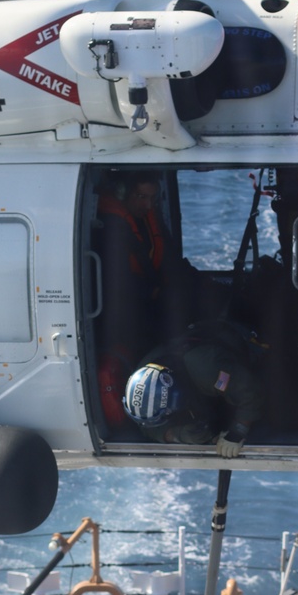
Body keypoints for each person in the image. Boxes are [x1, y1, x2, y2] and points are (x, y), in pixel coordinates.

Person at [94, 175, 198, 426]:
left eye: (152, 198)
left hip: (148, 299)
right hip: (123, 311)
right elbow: (116, 281)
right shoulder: (111, 228)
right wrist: (155, 292)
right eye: (141, 197)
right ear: (123, 194)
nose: (148, 205)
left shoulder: (148, 220)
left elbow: (168, 259)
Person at [122, 321, 265, 458]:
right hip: (198, 348)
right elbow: (146, 424)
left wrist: (238, 431)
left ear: (177, 397)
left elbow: (250, 391)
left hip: (239, 339)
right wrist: (177, 435)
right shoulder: (142, 377)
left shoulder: (207, 370)